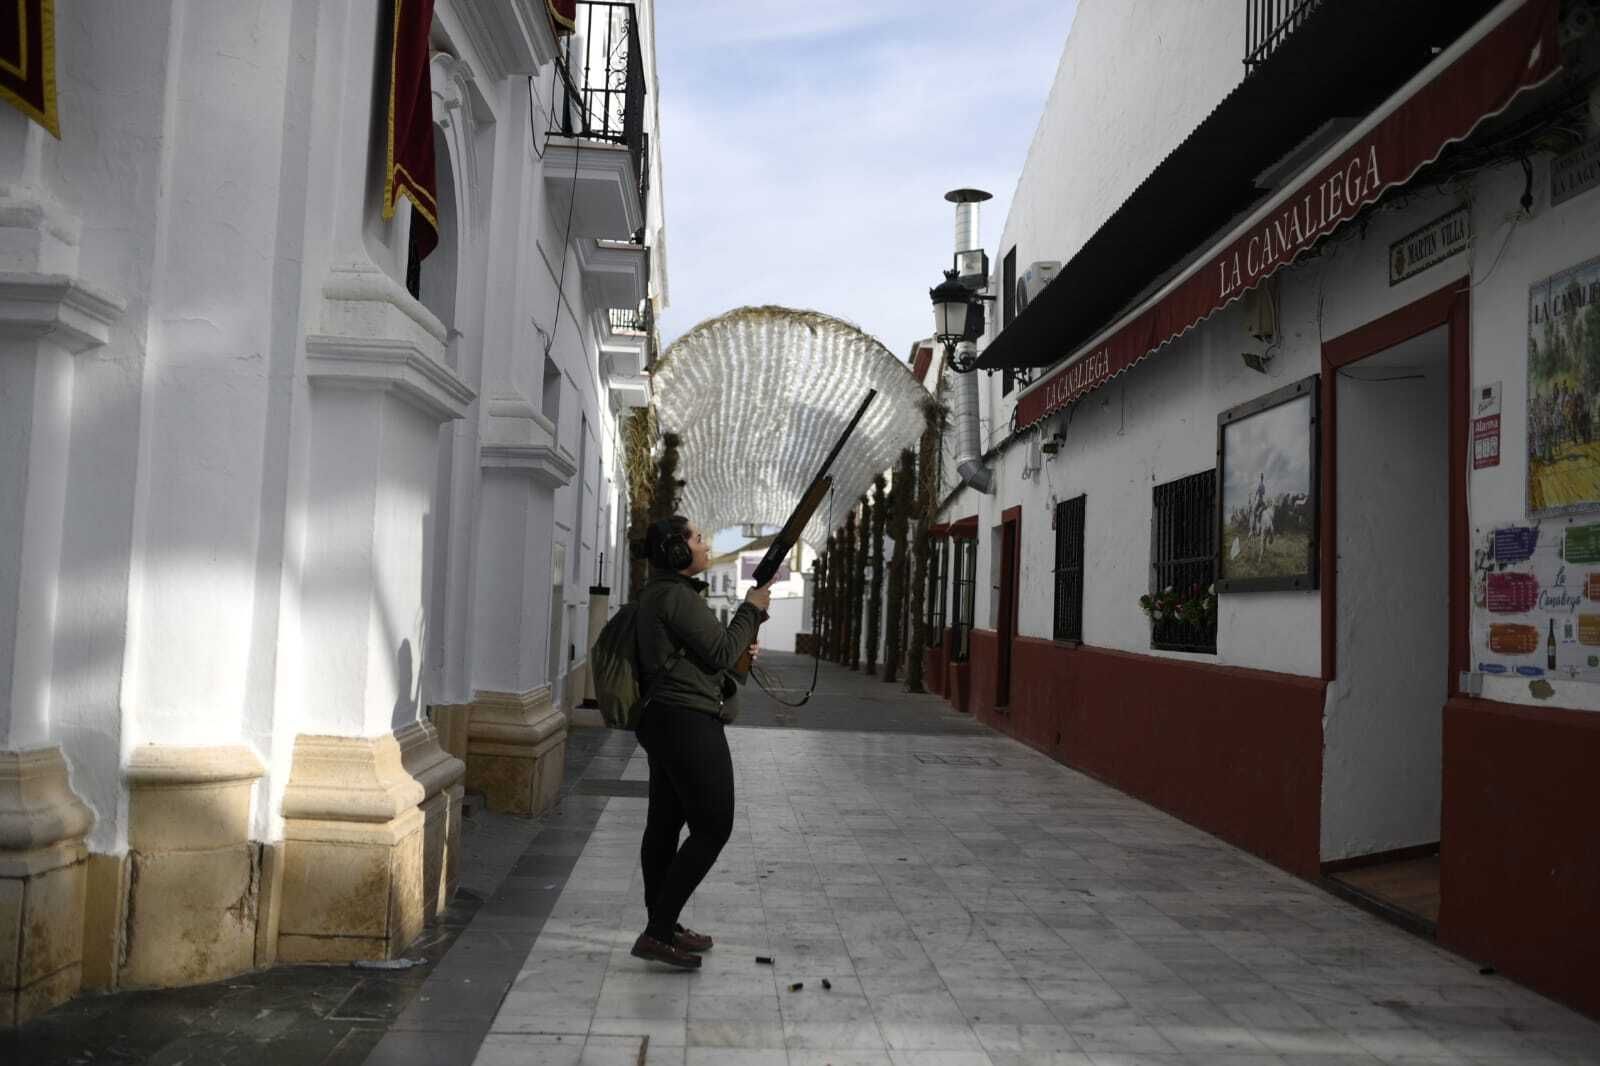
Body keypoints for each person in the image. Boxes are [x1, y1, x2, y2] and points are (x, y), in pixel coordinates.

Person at [628, 515, 771, 969]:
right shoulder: (676, 596)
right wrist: (751, 609)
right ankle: (657, 930)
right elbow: (724, 653)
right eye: (696, 538)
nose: (705, 543)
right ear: (675, 551)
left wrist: (742, 637)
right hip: (687, 720)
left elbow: (715, 656)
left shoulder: (661, 594)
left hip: (664, 718)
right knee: (713, 826)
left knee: (666, 823)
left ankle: (662, 925)